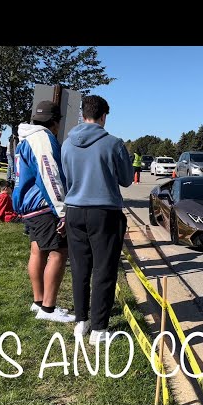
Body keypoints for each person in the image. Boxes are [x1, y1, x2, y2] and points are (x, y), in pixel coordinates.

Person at [61, 95, 133, 344]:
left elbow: (65, 179)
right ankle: (100, 329)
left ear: (83, 114)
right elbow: (125, 179)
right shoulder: (113, 143)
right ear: (104, 116)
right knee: (104, 269)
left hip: (74, 209)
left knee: (80, 268)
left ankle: (81, 321)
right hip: (104, 212)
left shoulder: (67, 144)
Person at [12, 100, 74, 323]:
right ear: (55, 122)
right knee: (59, 252)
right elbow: (50, 175)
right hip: (43, 205)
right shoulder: (42, 139)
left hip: (28, 206)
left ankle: (38, 302)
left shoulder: (25, 138)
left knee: (38, 252)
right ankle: (48, 309)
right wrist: (62, 211)